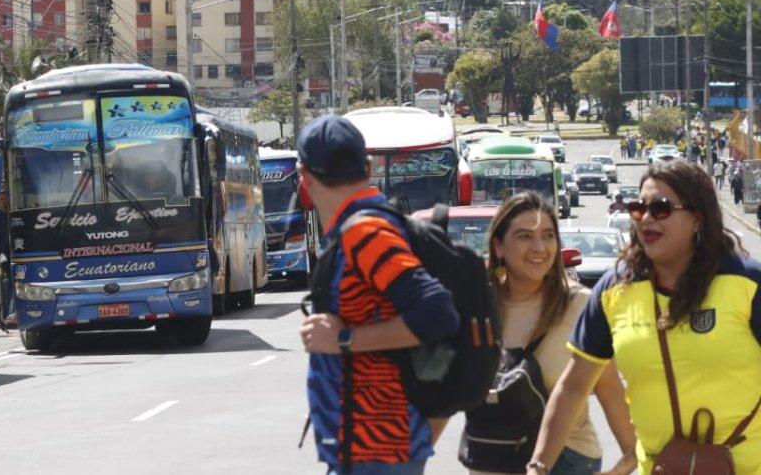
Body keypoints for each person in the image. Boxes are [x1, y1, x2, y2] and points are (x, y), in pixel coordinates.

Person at [527, 160, 761, 474]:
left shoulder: (747, 282)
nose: (646, 218)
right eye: (638, 208)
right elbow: (573, 388)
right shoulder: (613, 291)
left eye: (661, 208)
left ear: (698, 219)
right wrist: (538, 466)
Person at [297, 115, 460, 474]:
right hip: (367, 448)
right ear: (368, 167)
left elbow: (437, 313)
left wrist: (342, 339)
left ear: (303, 177)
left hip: (378, 449)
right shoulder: (359, 228)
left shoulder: (366, 233)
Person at [458, 193, 635, 475]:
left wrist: (630, 457)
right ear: (499, 246)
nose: (539, 248)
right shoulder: (477, 307)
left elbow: (609, 388)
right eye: (525, 236)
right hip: (492, 456)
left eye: (548, 236)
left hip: (566, 460)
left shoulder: (579, 305)